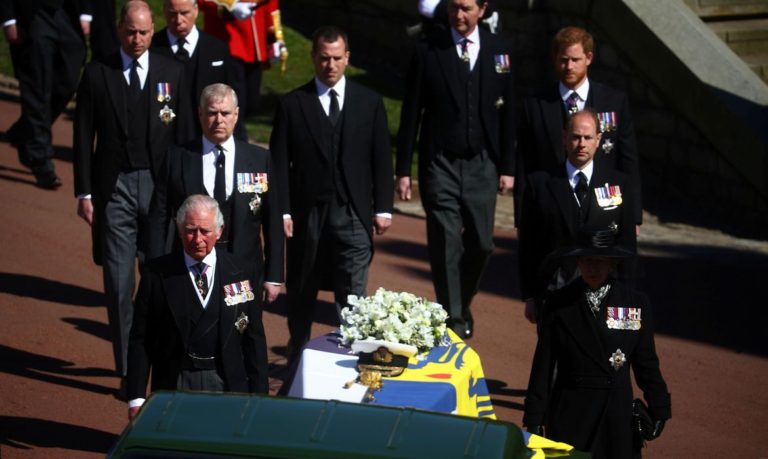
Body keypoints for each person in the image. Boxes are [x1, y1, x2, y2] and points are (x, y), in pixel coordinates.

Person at [73, 0, 193, 393]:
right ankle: (128, 368)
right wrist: (84, 191)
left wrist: (183, 191)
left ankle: (156, 358)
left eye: (144, 32)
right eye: (130, 32)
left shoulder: (172, 72)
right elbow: (82, 134)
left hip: (159, 192)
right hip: (115, 188)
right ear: (120, 29)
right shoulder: (97, 72)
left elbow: (183, 137)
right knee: (118, 281)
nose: (138, 39)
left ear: (152, 28)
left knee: (156, 279)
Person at [270, 25, 394, 359]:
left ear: (347, 58)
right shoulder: (293, 104)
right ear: (313, 58)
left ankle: (353, 354)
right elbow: (278, 164)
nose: (330, 65)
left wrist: (383, 207)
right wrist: (282, 210)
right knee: (302, 286)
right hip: (307, 212)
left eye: (337, 58)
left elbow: (382, 157)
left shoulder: (369, 103)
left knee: (353, 289)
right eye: (324, 58)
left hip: (353, 210)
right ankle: (298, 347)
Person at [396, 0, 515, 339]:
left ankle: (459, 303)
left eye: (465, 8)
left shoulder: (500, 49)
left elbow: (509, 112)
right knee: (446, 242)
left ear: (482, 8)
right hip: (440, 163)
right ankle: (454, 318)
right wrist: (403, 170)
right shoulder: (428, 49)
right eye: (453, 8)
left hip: (483, 163)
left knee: (482, 244)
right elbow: (410, 112)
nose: (458, 16)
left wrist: (508, 166)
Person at [523, 226, 671, 458]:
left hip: (616, 414)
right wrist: (534, 418)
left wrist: (660, 408)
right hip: (570, 413)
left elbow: (647, 362)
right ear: (578, 262)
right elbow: (543, 365)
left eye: (600, 261)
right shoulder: (558, 304)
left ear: (612, 263)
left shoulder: (635, 304)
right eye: (588, 260)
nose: (593, 267)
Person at [127, 194, 269, 420]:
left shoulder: (241, 271)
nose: (197, 239)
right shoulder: (156, 275)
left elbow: (254, 339)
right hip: (175, 382)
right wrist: (136, 397)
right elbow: (142, 339)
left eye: (205, 231)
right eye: (191, 230)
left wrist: (261, 395)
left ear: (219, 231)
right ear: (180, 229)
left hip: (228, 381)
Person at [148, 83, 283, 304]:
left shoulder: (259, 159)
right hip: (188, 269)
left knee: (239, 331)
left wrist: (274, 275)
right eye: (212, 113)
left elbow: (272, 220)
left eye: (225, 113)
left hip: (243, 270)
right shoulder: (177, 158)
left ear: (236, 115)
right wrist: (154, 267)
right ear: (200, 114)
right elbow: (158, 217)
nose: (219, 119)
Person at [516, 26, 642, 228]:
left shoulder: (614, 102)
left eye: (575, 60)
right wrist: (522, 216)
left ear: (589, 58)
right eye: (563, 60)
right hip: (551, 207)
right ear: (555, 59)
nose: (569, 67)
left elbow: (628, 161)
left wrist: (633, 216)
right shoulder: (536, 105)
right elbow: (525, 162)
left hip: (602, 203)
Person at [518, 110, 636, 323]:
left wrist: (626, 296)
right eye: (575, 137)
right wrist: (530, 295)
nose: (581, 143)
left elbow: (627, 243)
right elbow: (528, 245)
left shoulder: (619, 184)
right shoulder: (539, 185)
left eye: (588, 137)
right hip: (554, 292)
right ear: (564, 138)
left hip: (603, 290)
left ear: (598, 140)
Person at [0, 0, 88, 188]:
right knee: (37, 88)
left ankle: (23, 132)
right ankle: (41, 160)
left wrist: (85, 12)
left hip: (67, 13)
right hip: (34, 14)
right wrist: (8, 19)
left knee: (68, 80)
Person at [151, 0, 247, 140]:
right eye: (172, 14)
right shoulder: (152, 49)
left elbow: (233, 97)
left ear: (195, 11)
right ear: (165, 12)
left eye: (184, 13)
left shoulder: (217, 49)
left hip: (206, 139)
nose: (178, 20)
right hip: (164, 138)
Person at [198, 0, 285, 118]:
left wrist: (274, 38)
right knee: (233, 104)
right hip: (228, 41)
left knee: (251, 103)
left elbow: (270, 4)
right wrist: (230, 7)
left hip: (255, 46)